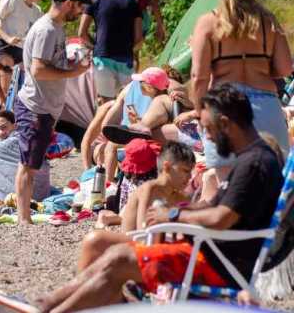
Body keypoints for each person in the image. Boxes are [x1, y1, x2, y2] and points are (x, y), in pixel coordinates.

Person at [36, 85, 283, 312]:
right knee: (115, 255)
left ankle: (50, 308)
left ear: (227, 124)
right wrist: (181, 213)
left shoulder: (255, 164)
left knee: (120, 259)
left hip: (216, 264)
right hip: (206, 253)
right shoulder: (249, 160)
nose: (206, 137)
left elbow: (221, 218)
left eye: (208, 129)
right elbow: (215, 209)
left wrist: (173, 215)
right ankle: (47, 305)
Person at [182, 0, 293, 160]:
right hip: (267, 107)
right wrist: (261, 67)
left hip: (225, 108)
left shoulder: (208, 23)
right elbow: (286, 68)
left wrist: (200, 112)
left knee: (227, 184)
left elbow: (199, 77)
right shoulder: (268, 20)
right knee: (272, 183)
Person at [13, 0, 92, 225]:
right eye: (79, 6)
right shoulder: (46, 29)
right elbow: (37, 70)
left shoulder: (56, 28)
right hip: (36, 106)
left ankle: (24, 215)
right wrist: (73, 72)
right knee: (29, 164)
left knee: (32, 162)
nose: (80, 12)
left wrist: (69, 63)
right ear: (68, 3)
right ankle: (23, 219)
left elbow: (49, 64)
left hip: (45, 106)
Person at [95, 141, 195, 232]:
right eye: (186, 171)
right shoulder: (149, 190)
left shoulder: (181, 196)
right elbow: (143, 231)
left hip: (148, 238)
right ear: (167, 167)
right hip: (135, 241)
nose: (190, 176)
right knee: (94, 239)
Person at [79, 0, 143, 102]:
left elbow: (82, 33)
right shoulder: (132, 1)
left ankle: (104, 123)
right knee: (126, 103)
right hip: (125, 59)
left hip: (102, 58)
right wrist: (132, 52)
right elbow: (139, 38)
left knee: (106, 103)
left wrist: (94, 47)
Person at [0, 0, 48, 94]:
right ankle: (4, 107)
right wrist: (7, 38)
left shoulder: (37, 11)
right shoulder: (12, 0)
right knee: (8, 72)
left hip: (22, 51)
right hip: (4, 45)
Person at [0, 110, 52, 202]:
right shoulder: (28, 136)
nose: (1, 133)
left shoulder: (16, 140)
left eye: (4, 127)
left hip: (27, 195)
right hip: (43, 192)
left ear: (15, 125)